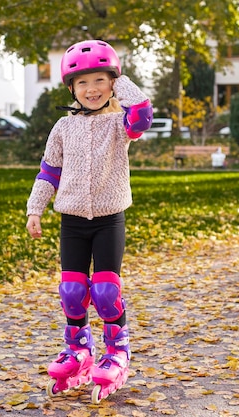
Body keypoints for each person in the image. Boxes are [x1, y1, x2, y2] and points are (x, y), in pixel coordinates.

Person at [26, 39, 153, 403]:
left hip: (109, 218)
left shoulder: (119, 124)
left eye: (99, 80)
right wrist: (35, 209)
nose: (91, 89)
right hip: (72, 221)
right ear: (71, 88)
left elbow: (143, 113)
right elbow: (48, 172)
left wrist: (120, 80)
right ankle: (79, 351)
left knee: (106, 292)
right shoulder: (63, 128)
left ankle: (117, 353)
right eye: (82, 83)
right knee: (72, 293)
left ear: (111, 82)